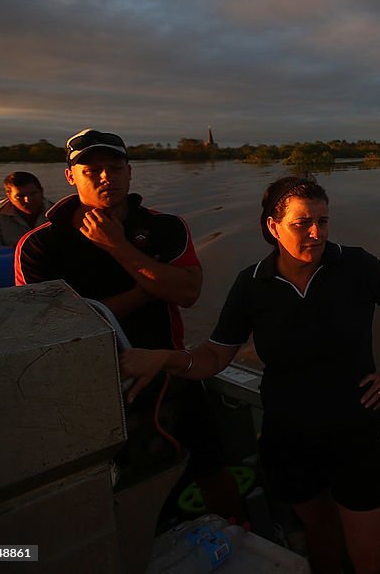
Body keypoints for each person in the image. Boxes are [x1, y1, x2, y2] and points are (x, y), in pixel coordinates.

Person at [120, 176, 380, 574]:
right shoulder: (252, 285)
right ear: (273, 226)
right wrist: (165, 359)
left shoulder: (356, 265)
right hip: (289, 436)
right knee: (320, 533)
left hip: (354, 434)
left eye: (324, 221)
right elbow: (213, 357)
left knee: (369, 557)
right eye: (302, 223)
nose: (317, 233)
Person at [15, 128, 244, 519]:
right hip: (90, 388)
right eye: (93, 170)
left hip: (171, 371)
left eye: (115, 167)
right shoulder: (39, 245)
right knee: (115, 488)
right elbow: (51, 330)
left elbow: (188, 293)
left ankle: (239, 531)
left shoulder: (165, 227)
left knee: (212, 465)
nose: (107, 177)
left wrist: (118, 247)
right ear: (71, 175)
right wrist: (152, 287)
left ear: (130, 172)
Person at [0, 171, 53, 247]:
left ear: (41, 192)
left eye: (33, 194)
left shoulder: (59, 213)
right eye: (20, 196)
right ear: (9, 196)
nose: (27, 200)